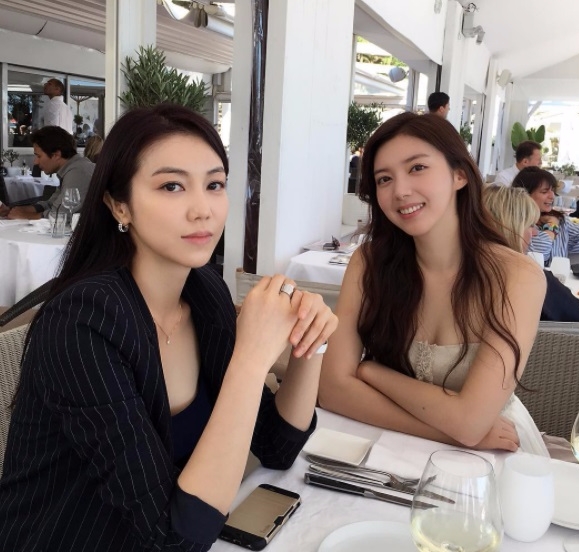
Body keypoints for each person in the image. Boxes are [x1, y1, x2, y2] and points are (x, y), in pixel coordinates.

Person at [0, 104, 337, 551]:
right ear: (119, 205)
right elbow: (174, 538)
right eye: (172, 186)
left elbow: (277, 447)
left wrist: (310, 342)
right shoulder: (82, 322)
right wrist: (252, 358)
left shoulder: (204, 292)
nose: (203, 210)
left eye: (214, 184)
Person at [319, 112, 548, 456]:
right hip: (388, 448)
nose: (400, 191)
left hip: (488, 454)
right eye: (384, 179)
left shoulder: (517, 276)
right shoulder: (369, 263)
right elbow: (332, 390)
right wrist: (449, 433)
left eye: (417, 168)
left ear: (459, 174)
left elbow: (471, 421)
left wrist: (370, 371)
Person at [484, 185, 579, 322]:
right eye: (530, 225)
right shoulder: (530, 278)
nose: (535, 232)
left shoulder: (463, 271)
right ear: (512, 227)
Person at [0, 125, 94, 219]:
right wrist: (18, 210)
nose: (35, 162)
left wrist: (25, 215)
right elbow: (52, 203)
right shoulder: (70, 169)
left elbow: (61, 215)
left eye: (39, 156)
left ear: (56, 155)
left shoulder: (78, 172)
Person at [512, 166, 579, 265]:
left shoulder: (558, 219)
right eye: (544, 192)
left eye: (553, 190)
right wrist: (552, 226)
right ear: (525, 194)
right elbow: (539, 253)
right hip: (532, 274)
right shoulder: (516, 223)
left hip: (559, 274)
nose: (552, 196)